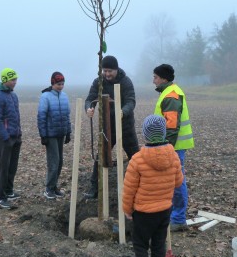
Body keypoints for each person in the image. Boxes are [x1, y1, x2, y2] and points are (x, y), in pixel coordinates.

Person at [123, 115, 183, 257]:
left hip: (143, 212)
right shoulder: (173, 155)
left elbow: (129, 189)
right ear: (164, 133)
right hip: (165, 210)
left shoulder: (137, 159)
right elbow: (178, 182)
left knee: (140, 245)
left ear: (146, 136)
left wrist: (127, 210)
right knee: (158, 244)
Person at [84, 55, 140, 199]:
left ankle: (142, 186)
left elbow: (131, 101)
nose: (107, 74)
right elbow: (90, 98)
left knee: (136, 157)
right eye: (105, 71)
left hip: (125, 126)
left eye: (110, 71)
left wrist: (122, 112)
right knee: (100, 156)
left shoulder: (125, 82)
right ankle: (94, 187)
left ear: (116, 69)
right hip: (106, 128)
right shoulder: (99, 82)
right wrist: (89, 108)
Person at [152, 64, 194, 231]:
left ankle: (178, 219)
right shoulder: (169, 92)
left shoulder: (171, 96)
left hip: (174, 146)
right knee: (174, 180)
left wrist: (166, 148)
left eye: (155, 77)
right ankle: (175, 215)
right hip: (173, 145)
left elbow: (171, 126)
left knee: (177, 181)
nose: (153, 80)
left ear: (164, 79)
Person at [0, 68, 22, 209]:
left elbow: (16, 116)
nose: (15, 82)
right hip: (4, 137)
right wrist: (6, 136)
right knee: (4, 166)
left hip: (15, 136)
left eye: (16, 79)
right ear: (5, 80)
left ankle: (9, 191)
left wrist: (18, 133)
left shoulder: (13, 96)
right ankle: (0, 196)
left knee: (12, 166)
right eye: (12, 79)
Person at [37, 72, 72, 199]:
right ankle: (49, 189)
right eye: (58, 84)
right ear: (52, 83)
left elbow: (67, 115)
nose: (61, 86)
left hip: (61, 133)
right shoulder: (45, 97)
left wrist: (68, 131)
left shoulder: (64, 96)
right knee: (54, 161)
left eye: (62, 84)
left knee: (60, 161)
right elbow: (41, 116)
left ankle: (54, 186)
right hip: (50, 134)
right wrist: (43, 135)